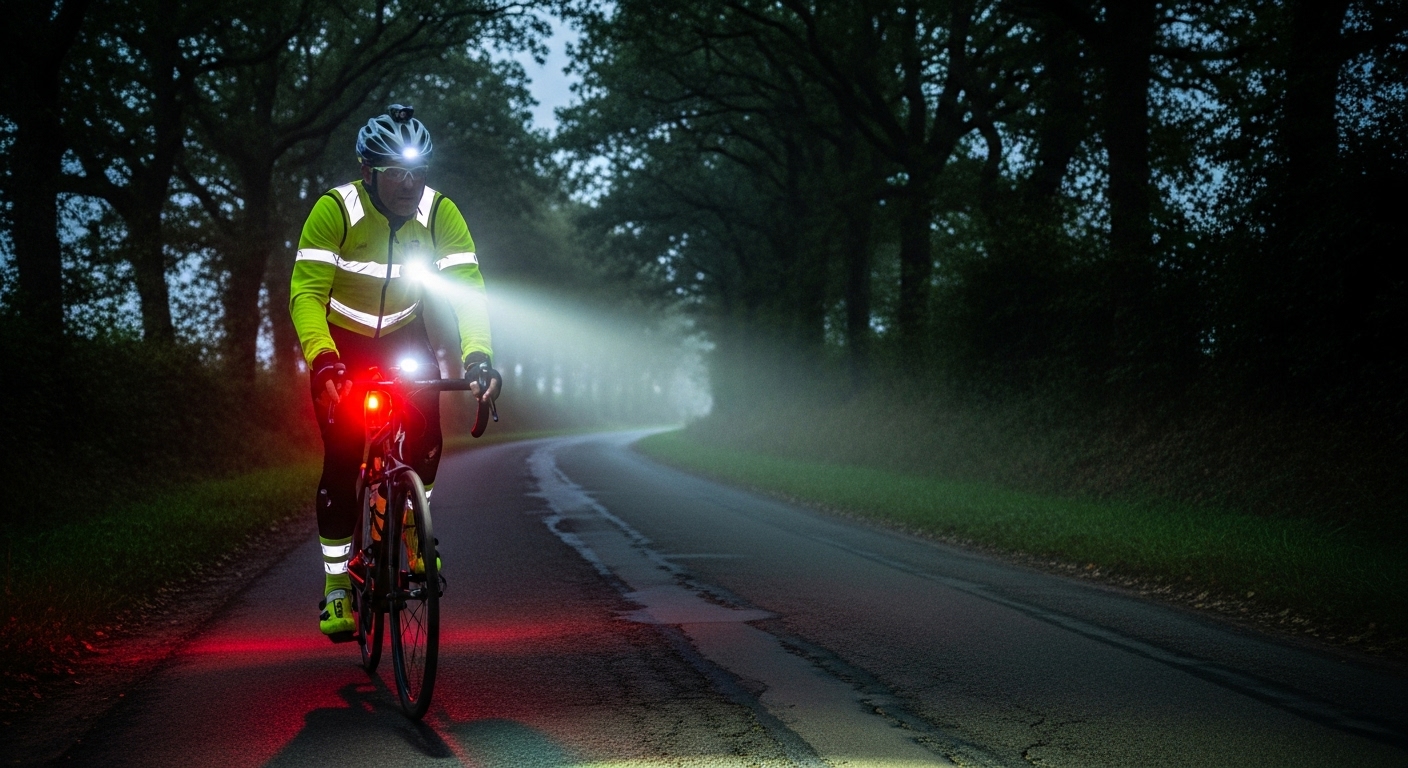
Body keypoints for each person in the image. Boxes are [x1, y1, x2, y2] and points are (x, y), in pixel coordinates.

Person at [289, 104, 501, 638]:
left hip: (405, 336)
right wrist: (322, 357)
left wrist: (478, 356)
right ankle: (337, 587)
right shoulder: (335, 210)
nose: (409, 184)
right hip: (342, 343)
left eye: (417, 172)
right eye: (395, 173)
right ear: (368, 172)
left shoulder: (439, 212)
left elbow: (468, 292)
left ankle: (410, 527)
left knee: (426, 438)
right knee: (343, 459)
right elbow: (306, 293)